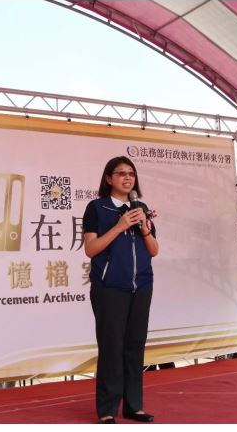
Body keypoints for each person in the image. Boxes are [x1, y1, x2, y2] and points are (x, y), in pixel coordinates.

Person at [82, 156, 159, 424]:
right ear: (109, 178)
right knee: (111, 347)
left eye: (131, 174)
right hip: (109, 288)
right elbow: (91, 249)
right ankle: (107, 409)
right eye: (121, 173)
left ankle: (133, 406)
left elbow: (154, 250)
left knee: (135, 347)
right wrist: (120, 226)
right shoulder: (97, 208)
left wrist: (145, 230)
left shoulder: (141, 208)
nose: (128, 178)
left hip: (142, 286)